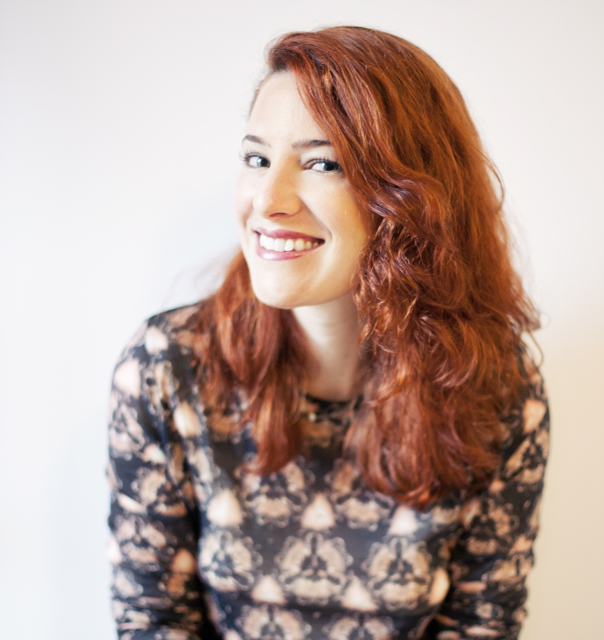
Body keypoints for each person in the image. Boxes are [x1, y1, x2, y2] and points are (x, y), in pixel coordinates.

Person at [108, 26, 549, 640]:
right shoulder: (168, 366)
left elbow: (483, 622)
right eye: (257, 159)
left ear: (412, 198)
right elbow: (154, 620)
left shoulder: (494, 384)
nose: (268, 200)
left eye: (322, 163)